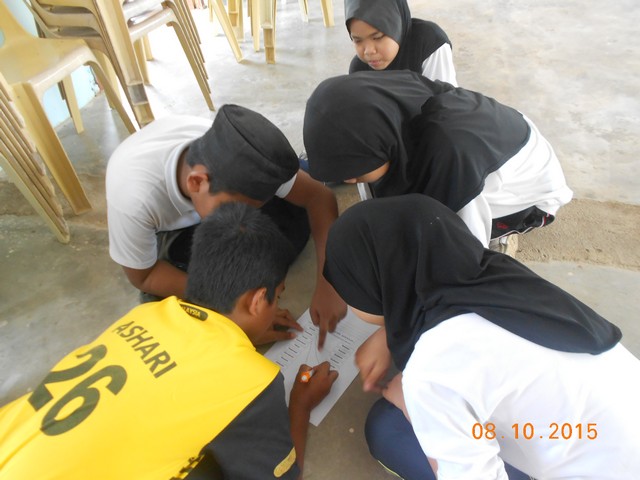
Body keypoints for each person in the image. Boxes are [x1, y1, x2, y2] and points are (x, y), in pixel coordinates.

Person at [0, 202, 339, 479]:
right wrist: (300, 402)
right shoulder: (253, 382)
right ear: (256, 301)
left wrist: (245, 333)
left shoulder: (146, 314)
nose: (278, 306)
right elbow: (284, 476)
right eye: (277, 297)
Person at [322, 194, 640, 480]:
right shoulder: (496, 274)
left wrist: (411, 407)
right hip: (618, 434)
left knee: (388, 430)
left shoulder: (430, 372)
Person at [106, 104, 346, 345]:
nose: (244, 227)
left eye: (252, 210)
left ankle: (300, 171)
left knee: (292, 214)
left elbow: (318, 197)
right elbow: (144, 276)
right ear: (196, 182)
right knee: (168, 306)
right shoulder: (133, 200)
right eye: (233, 210)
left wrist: (330, 282)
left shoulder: (248, 161)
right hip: (175, 232)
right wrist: (233, 312)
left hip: (216, 194)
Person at [304, 71, 573, 250]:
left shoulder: (450, 157)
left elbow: (464, 247)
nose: (349, 179)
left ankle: (502, 239)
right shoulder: (391, 110)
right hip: (491, 141)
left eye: (355, 170)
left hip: (531, 193)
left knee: (433, 239)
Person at [345, 0, 458, 86]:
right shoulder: (359, 70)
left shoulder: (428, 43)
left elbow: (447, 101)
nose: (368, 51)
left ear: (398, 26)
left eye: (377, 37)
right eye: (357, 40)